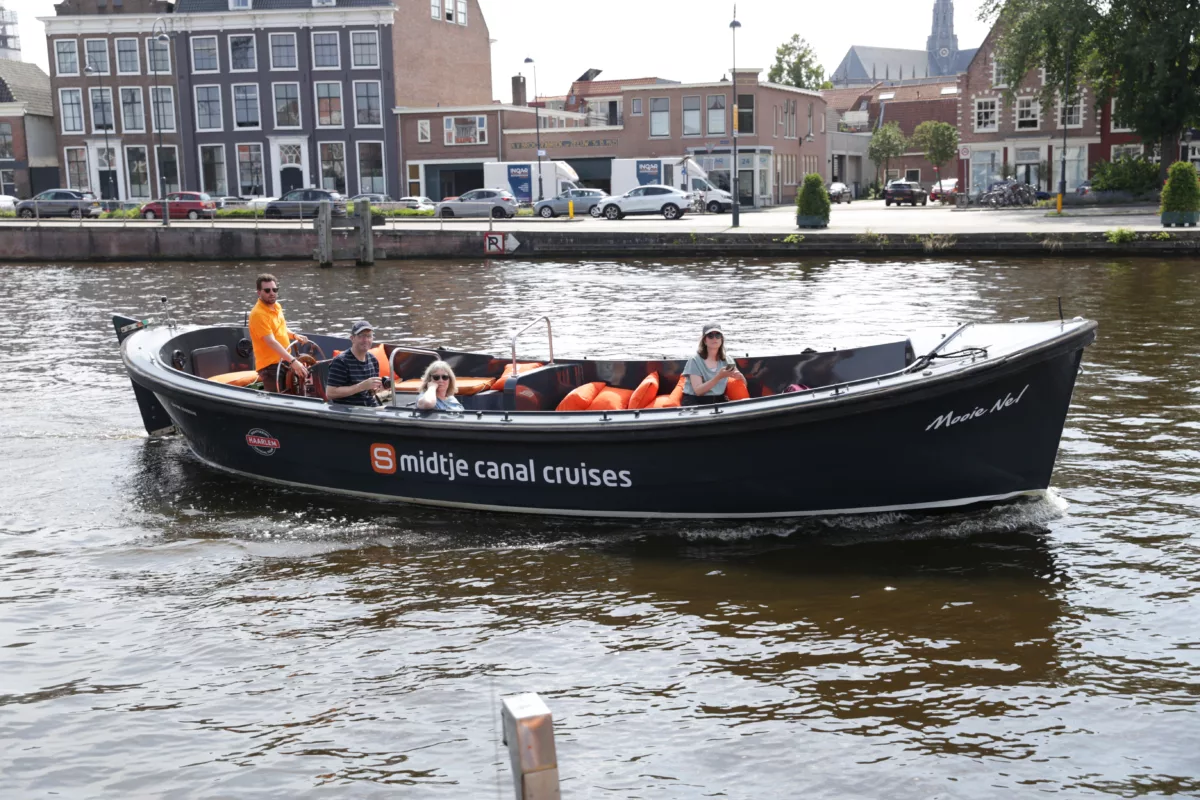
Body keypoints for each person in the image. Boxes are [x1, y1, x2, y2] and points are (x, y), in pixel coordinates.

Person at [248, 273, 309, 393]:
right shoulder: (258, 314)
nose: (272, 293)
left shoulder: (277, 306)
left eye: (275, 289)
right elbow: (270, 341)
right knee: (277, 399)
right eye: (267, 290)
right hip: (270, 367)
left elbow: (281, 328)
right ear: (259, 293)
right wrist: (293, 361)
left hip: (284, 361)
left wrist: (294, 335)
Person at [681, 323, 743, 406]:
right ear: (704, 340)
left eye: (718, 335)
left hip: (718, 400)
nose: (715, 338)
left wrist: (741, 377)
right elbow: (698, 391)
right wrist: (718, 377)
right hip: (695, 401)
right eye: (710, 335)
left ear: (721, 339)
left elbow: (743, 384)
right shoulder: (694, 361)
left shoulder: (727, 360)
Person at [325, 320, 383, 407]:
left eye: (369, 336)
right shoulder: (341, 361)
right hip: (349, 410)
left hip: (370, 407)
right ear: (352, 338)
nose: (366, 340)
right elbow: (330, 393)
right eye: (361, 336)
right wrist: (361, 386)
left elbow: (370, 392)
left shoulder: (373, 360)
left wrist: (377, 388)